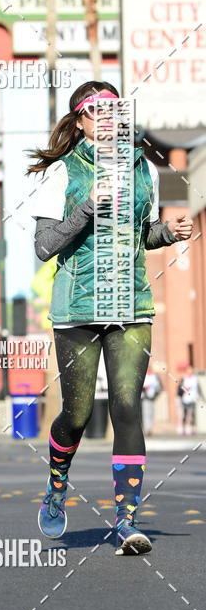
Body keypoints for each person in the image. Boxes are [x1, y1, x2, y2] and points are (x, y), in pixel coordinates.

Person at [28, 82, 193, 556]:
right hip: (77, 307)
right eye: (94, 110)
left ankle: (126, 521)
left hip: (131, 305)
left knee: (126, 406)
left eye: (113, 109)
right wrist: (87, 206)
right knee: (77, 415)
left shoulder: (143, 168)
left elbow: (141, 233)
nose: (106, 117)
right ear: (79, 121)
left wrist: (168, 231)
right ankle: (57, 486)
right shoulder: (62, 172)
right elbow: (44, 247)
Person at [178, 363, 202, 436]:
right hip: (185, 399)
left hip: (193, 398)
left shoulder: (195, 379)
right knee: (185, 414)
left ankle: (193, 429)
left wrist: (202, 397)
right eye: (188, 370)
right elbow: (179, 389)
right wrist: (183, 391)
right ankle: (184, 429)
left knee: (193, 414)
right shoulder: (183, 378)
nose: (190, 371)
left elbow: (199, 388)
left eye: (191, 370)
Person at [141, 366, 163, 437]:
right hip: (145, 397)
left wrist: (156, 394)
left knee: (151, 413)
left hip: (152, 397)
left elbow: (159, 387)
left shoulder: (155, 377)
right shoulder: (144, 377)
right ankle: (147, 428)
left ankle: (150, 427)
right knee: (146, 413)